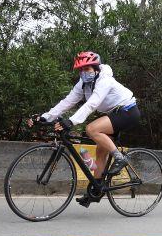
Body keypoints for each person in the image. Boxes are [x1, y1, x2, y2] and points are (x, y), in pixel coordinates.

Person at [32, 51, 141, 206]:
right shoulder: (83, 83)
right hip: (113, 113)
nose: (84, 73)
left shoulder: (105, 79)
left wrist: (71, 121)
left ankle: (120, 158)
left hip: (128, 111)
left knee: (91, 129)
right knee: (100, 152)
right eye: (81, 70)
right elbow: (67, 101)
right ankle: (96, 190)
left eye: (87, 69)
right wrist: (46, 116)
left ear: (96, 68)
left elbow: (92, 103)